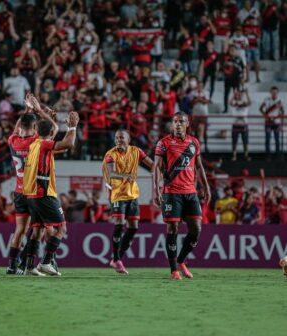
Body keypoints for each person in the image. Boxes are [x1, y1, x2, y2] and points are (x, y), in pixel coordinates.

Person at [153, 112, 211, 280]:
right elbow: (156, 166)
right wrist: (156, 189)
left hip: (190, 192)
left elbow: (199, 167)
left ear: (187, 124)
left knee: (196, 229)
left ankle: (181, 260)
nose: (178, 124)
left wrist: (206, 186)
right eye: (175, 121)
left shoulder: (194, 142)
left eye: (181, 121)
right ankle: (173, 270)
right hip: (171, 193)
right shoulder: (163, 143)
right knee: (173, 229)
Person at [22, 112, 80, 276]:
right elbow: (68, 144)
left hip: (31, 195)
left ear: (35, 129)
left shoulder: (34, 145)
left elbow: (59, 147)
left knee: (37, 231)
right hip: (44, 193)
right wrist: (72, 126)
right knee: (61, 227)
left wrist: (43, 112)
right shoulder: (44, 144)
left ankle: (29, 266)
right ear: (50, 134)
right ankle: (46, 262)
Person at [6, 94, 57, 274]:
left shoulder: (13, 141)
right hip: (34, 191)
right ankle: (31, 263)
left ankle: (12, 265)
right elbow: (52, 130)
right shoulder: (36, 141)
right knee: (40, 231)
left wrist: (28, 111)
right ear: (35, 127)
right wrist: (39, 110)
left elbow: (16, 130)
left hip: (19, 191)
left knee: (20, 229)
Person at [103, 130, 153, 275]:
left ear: (128, 139)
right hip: (117, 194)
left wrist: (160, 171)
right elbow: (111, 173)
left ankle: (116, 258)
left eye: (122, 137)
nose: (119, 140)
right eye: (117, 137)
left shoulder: (136, 151)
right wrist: (127, 176)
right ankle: (117, 259)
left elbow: (151, 164)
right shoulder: (110, 155)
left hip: (132, 194)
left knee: (133, 227)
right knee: (119, 224)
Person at [260, 86, 285, 159]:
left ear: (277, 93)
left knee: (277, 139)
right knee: (267, 139)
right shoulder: (266, 99)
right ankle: (268, 155)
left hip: (276, 122)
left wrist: (277, 117)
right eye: (272, 92)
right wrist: (265, 116)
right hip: (268, 122)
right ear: (270, 92)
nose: (274, 93)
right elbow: (261, 108)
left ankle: (278, 155)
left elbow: (282, 111)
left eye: (275, 92)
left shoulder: (280, 101)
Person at [230, 87, 251, 161]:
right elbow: (230, 102)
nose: (239, 95)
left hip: (244, 124)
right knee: (234, 141)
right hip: (235, 124)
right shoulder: (234, 102)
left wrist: (247, 93)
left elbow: (249, 102)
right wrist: (234, 95)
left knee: (245, 141)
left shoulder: (244, 101)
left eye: (240, 94)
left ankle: (246, 155)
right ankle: (234, 155)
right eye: (237, 94)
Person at [223, 45, 245, 113]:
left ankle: (237, 107)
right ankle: (226, 109)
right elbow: (224, 69)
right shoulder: (226, 59)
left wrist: (243, 77)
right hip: (228, 79)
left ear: (236, 51)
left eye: (233, 50)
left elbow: (243, 68)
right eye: (231, 50)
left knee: (237, 94)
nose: (232, 51)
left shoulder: (239, 59)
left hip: (236, 79)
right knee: (226, 94)